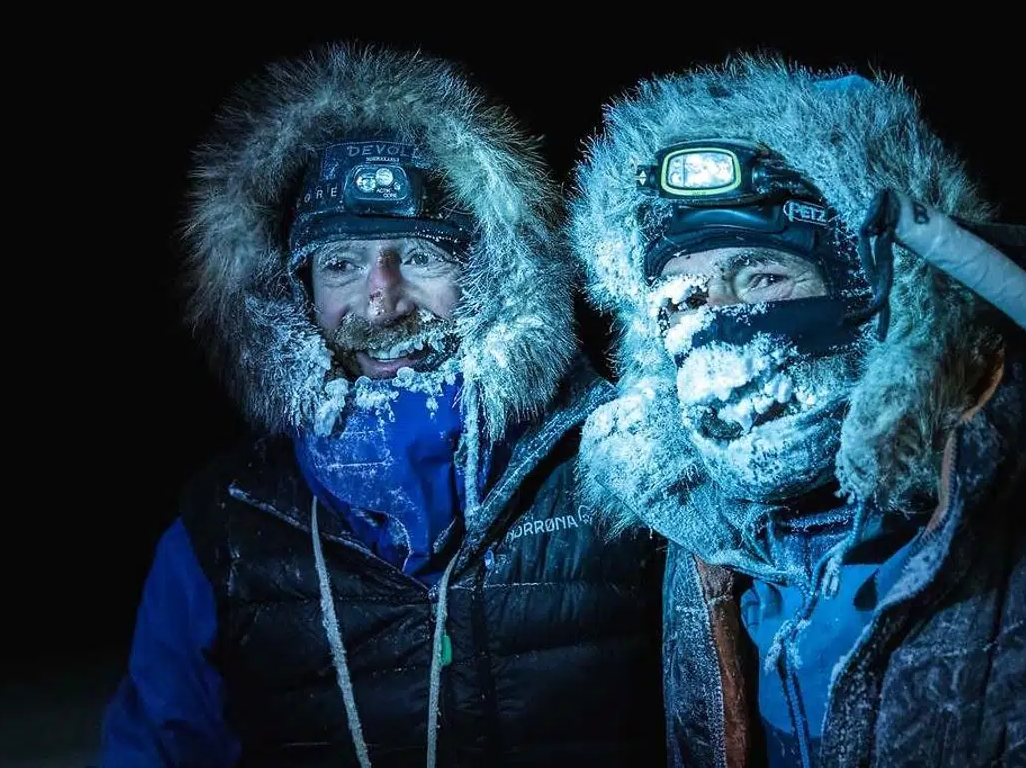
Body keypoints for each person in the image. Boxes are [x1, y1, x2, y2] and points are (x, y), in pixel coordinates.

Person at [565, 52, 1026, 767]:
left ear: (871, 292)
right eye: (683, 297)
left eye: (762, 276)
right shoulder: (700, 537)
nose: (716, 327)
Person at [99, 43, 666, 768]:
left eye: (420, 256)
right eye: (342, 263)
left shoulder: (621, 469)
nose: (382, 299)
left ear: (493, 274)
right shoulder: (227, 528)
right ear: (295, 295)